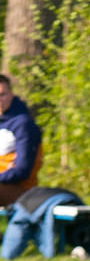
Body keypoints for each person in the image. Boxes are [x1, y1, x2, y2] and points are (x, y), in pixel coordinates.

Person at [0, 74, 42, 206]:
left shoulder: (23, 124)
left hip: (21, 191)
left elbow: (22, 171)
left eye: (2, 94)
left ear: (12, 95)